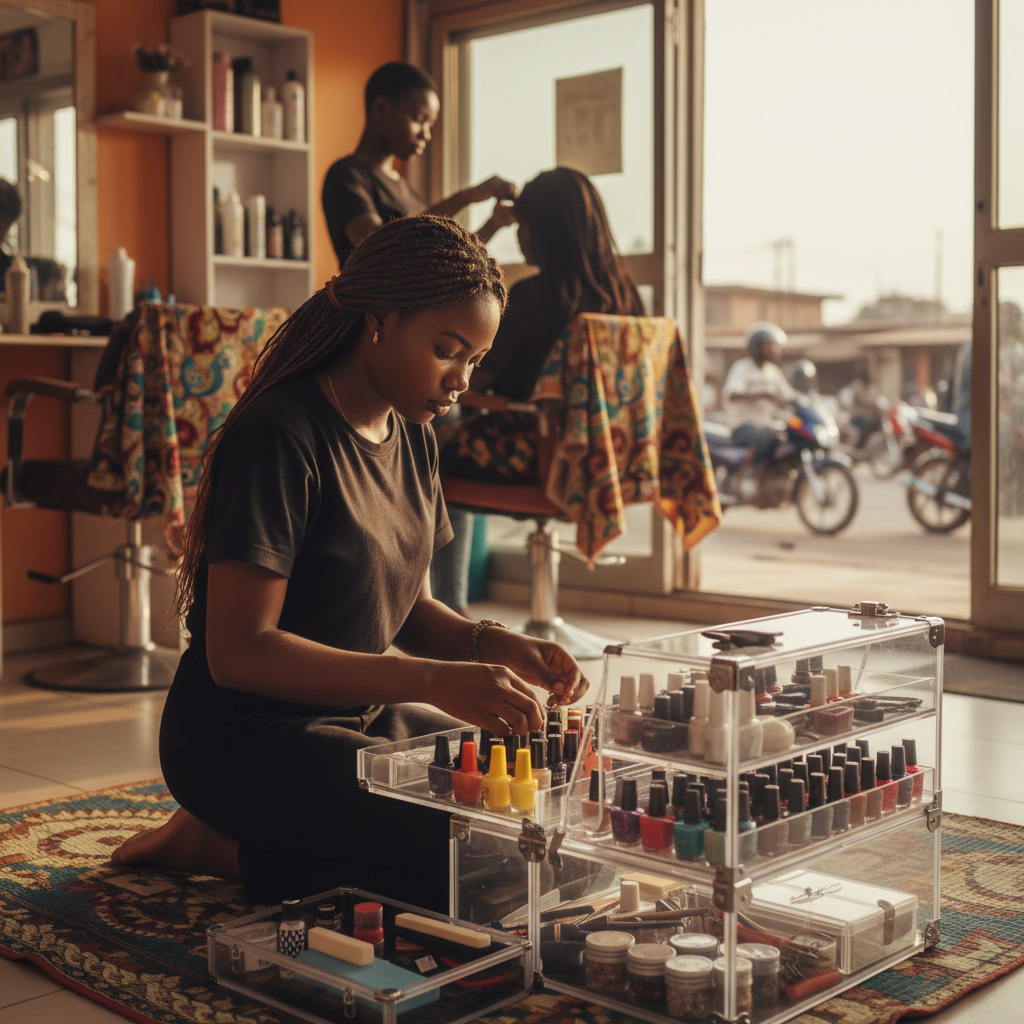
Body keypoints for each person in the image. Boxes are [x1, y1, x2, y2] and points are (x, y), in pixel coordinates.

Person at [111, 215, 589, 912]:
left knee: (542, 816)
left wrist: (500, 645)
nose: (460, 381)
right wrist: (429, 681)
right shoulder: (280, 435)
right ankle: (216, 845)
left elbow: (410, 609)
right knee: (470, 867)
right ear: (380, 321)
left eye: (474, 361)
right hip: (243, 739)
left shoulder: (413, 433)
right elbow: (239, 653)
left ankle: (290, 828)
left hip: (356, 723)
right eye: (447, 350)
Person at [431, 167, 644, 614]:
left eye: (525, 226)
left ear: (546, 229)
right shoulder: (626, 300)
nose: (521, 239)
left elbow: (473, 380)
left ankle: (444, 609)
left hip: (539, 452)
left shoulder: (534, 297)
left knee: (424, 447)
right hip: (606, 457)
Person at [322, 62, 517, 267]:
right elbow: (380, 247)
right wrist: (465, 197)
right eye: (419, 119)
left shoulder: (402, 186)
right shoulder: (345, 175)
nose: (426, 134)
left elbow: (447, 265)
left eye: (430, 125)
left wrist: (493, 224)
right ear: (381, 109)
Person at [721, 321, 799, 459]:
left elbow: (788, 393)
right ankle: (759, 478)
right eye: (768, 346)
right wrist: (760, 395)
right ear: (756, 346)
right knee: (766, 439)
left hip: (767, 424)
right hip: (742, 426)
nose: (773, 349)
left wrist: (806, 399)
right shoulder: (742, 368)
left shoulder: (773, 371)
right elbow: (732, 395)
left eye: (774, 346)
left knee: (787, 438)